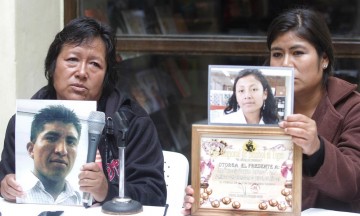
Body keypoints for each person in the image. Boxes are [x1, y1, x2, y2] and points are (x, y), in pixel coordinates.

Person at [183, 7, 360, 214]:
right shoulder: (253, 109)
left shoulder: (351, 107)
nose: (285, 64)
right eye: (277, 54)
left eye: (298, 53)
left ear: (324, 59)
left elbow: (354, 185)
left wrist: (317, 149)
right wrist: (208, 194)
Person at [0, 17, 167, 206]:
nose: (81, 72)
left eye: (94, 64)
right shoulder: (24, 122)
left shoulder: (132, 122)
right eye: (72, 60)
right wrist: (5, 186)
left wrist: (108, 191)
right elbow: (6, 176)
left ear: (106, 77)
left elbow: (155, 194)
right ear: (53, 66)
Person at [18, 105, 82, 205]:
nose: (62, 150)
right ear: (31, 149)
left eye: (70, 142)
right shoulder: (13, 195)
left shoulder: (82, 200)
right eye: (51, 139)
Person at [213, 68, 279, 124]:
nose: (247, 96)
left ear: (265, 94)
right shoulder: (222, 123)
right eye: (241, 91)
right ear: (236, 96)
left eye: (254, 89)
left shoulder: (276, 125)